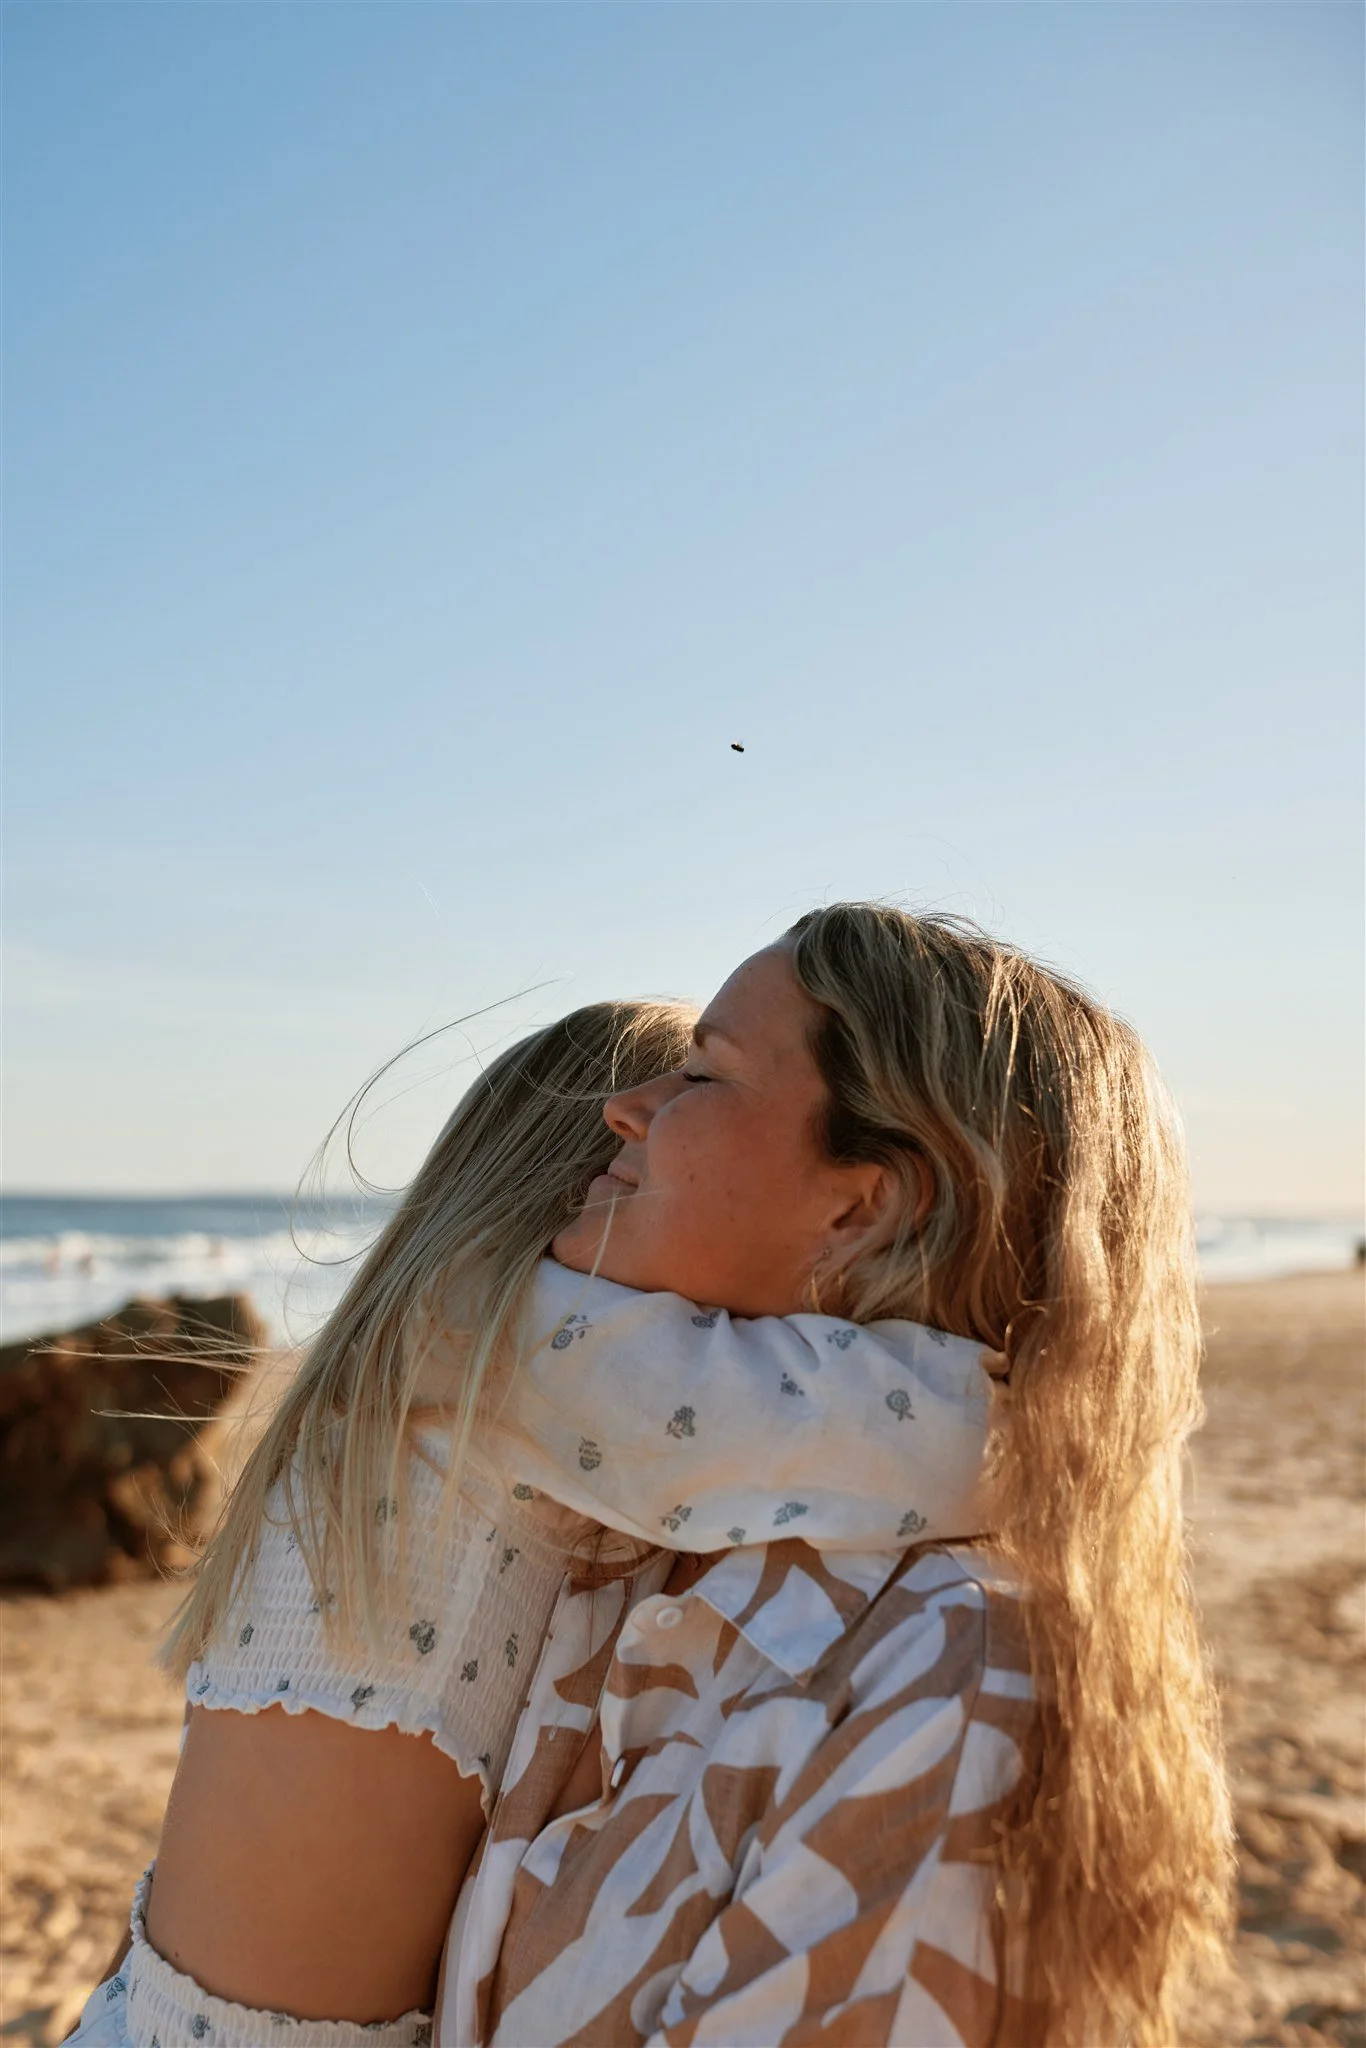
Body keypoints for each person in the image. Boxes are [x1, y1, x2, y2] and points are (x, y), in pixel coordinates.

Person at [66, 994, 998, 2048]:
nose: (641, 1118)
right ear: (576, 1180)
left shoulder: (406, 1380)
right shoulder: (506, 1376)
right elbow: (914, 1434)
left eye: (699, 1086)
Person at [435, 905, 1233, 2048]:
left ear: (862, 1206)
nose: (628, 1107)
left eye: (705, 1074)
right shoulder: (667, 1529)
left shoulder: (948, 1690)